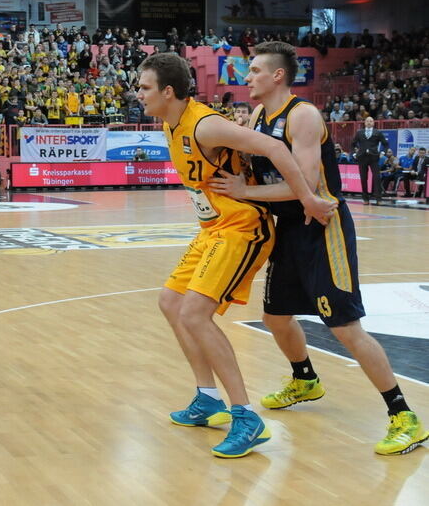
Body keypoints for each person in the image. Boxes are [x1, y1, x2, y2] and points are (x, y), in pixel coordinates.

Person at [208, 41, 428, 456]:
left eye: (254, 70)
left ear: (277, 76)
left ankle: (404, 416)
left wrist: (244, 190)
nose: (247, 76)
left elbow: (305, 187)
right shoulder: (257, 115)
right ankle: (305, 379)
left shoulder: (303, 116)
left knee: (344, 327)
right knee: (275, 317)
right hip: (288, 228)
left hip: (321, 225)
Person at [136, 52, 335, 459]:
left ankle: (246, 416)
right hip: (214, 228)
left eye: (144, 88)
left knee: (195, 313)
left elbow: (275, 149)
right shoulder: (169, 122)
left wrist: (308, 198)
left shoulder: (205, 125)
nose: (138, 94)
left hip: (244, 227)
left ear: (168, 92)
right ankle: (208, 398)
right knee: (171, 302)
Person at [351, 116, 389, 204]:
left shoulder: (378, 133)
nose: (369, 122)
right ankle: (365, 199)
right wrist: (354, 154)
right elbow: (352, 144)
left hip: (374, 157)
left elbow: (386, 144)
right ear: (364, 123)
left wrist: (382, 153)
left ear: (373, 123)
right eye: (367, 121)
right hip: (362, 157)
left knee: (377, 178)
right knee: (363, 178)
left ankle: (378, 199)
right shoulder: (359, 133)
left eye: (371, 121)